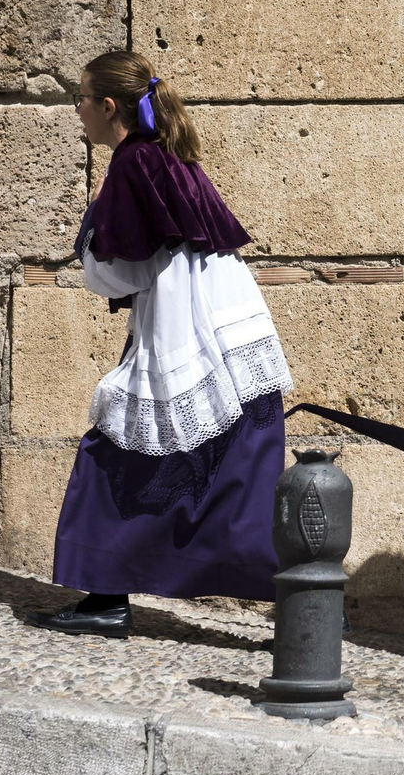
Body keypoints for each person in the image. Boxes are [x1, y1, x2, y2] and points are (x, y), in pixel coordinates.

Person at [25, 50, 293, 638]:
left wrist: (91, 220)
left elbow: (124, 271)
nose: (77, 109)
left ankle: (107, 597)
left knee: (112, 458)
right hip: (231, 326)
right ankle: (301, 597)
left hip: (186, 333)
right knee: (233, 472)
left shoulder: (132, 163)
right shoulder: (168, 157)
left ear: (109, 106)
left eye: (81, 98)